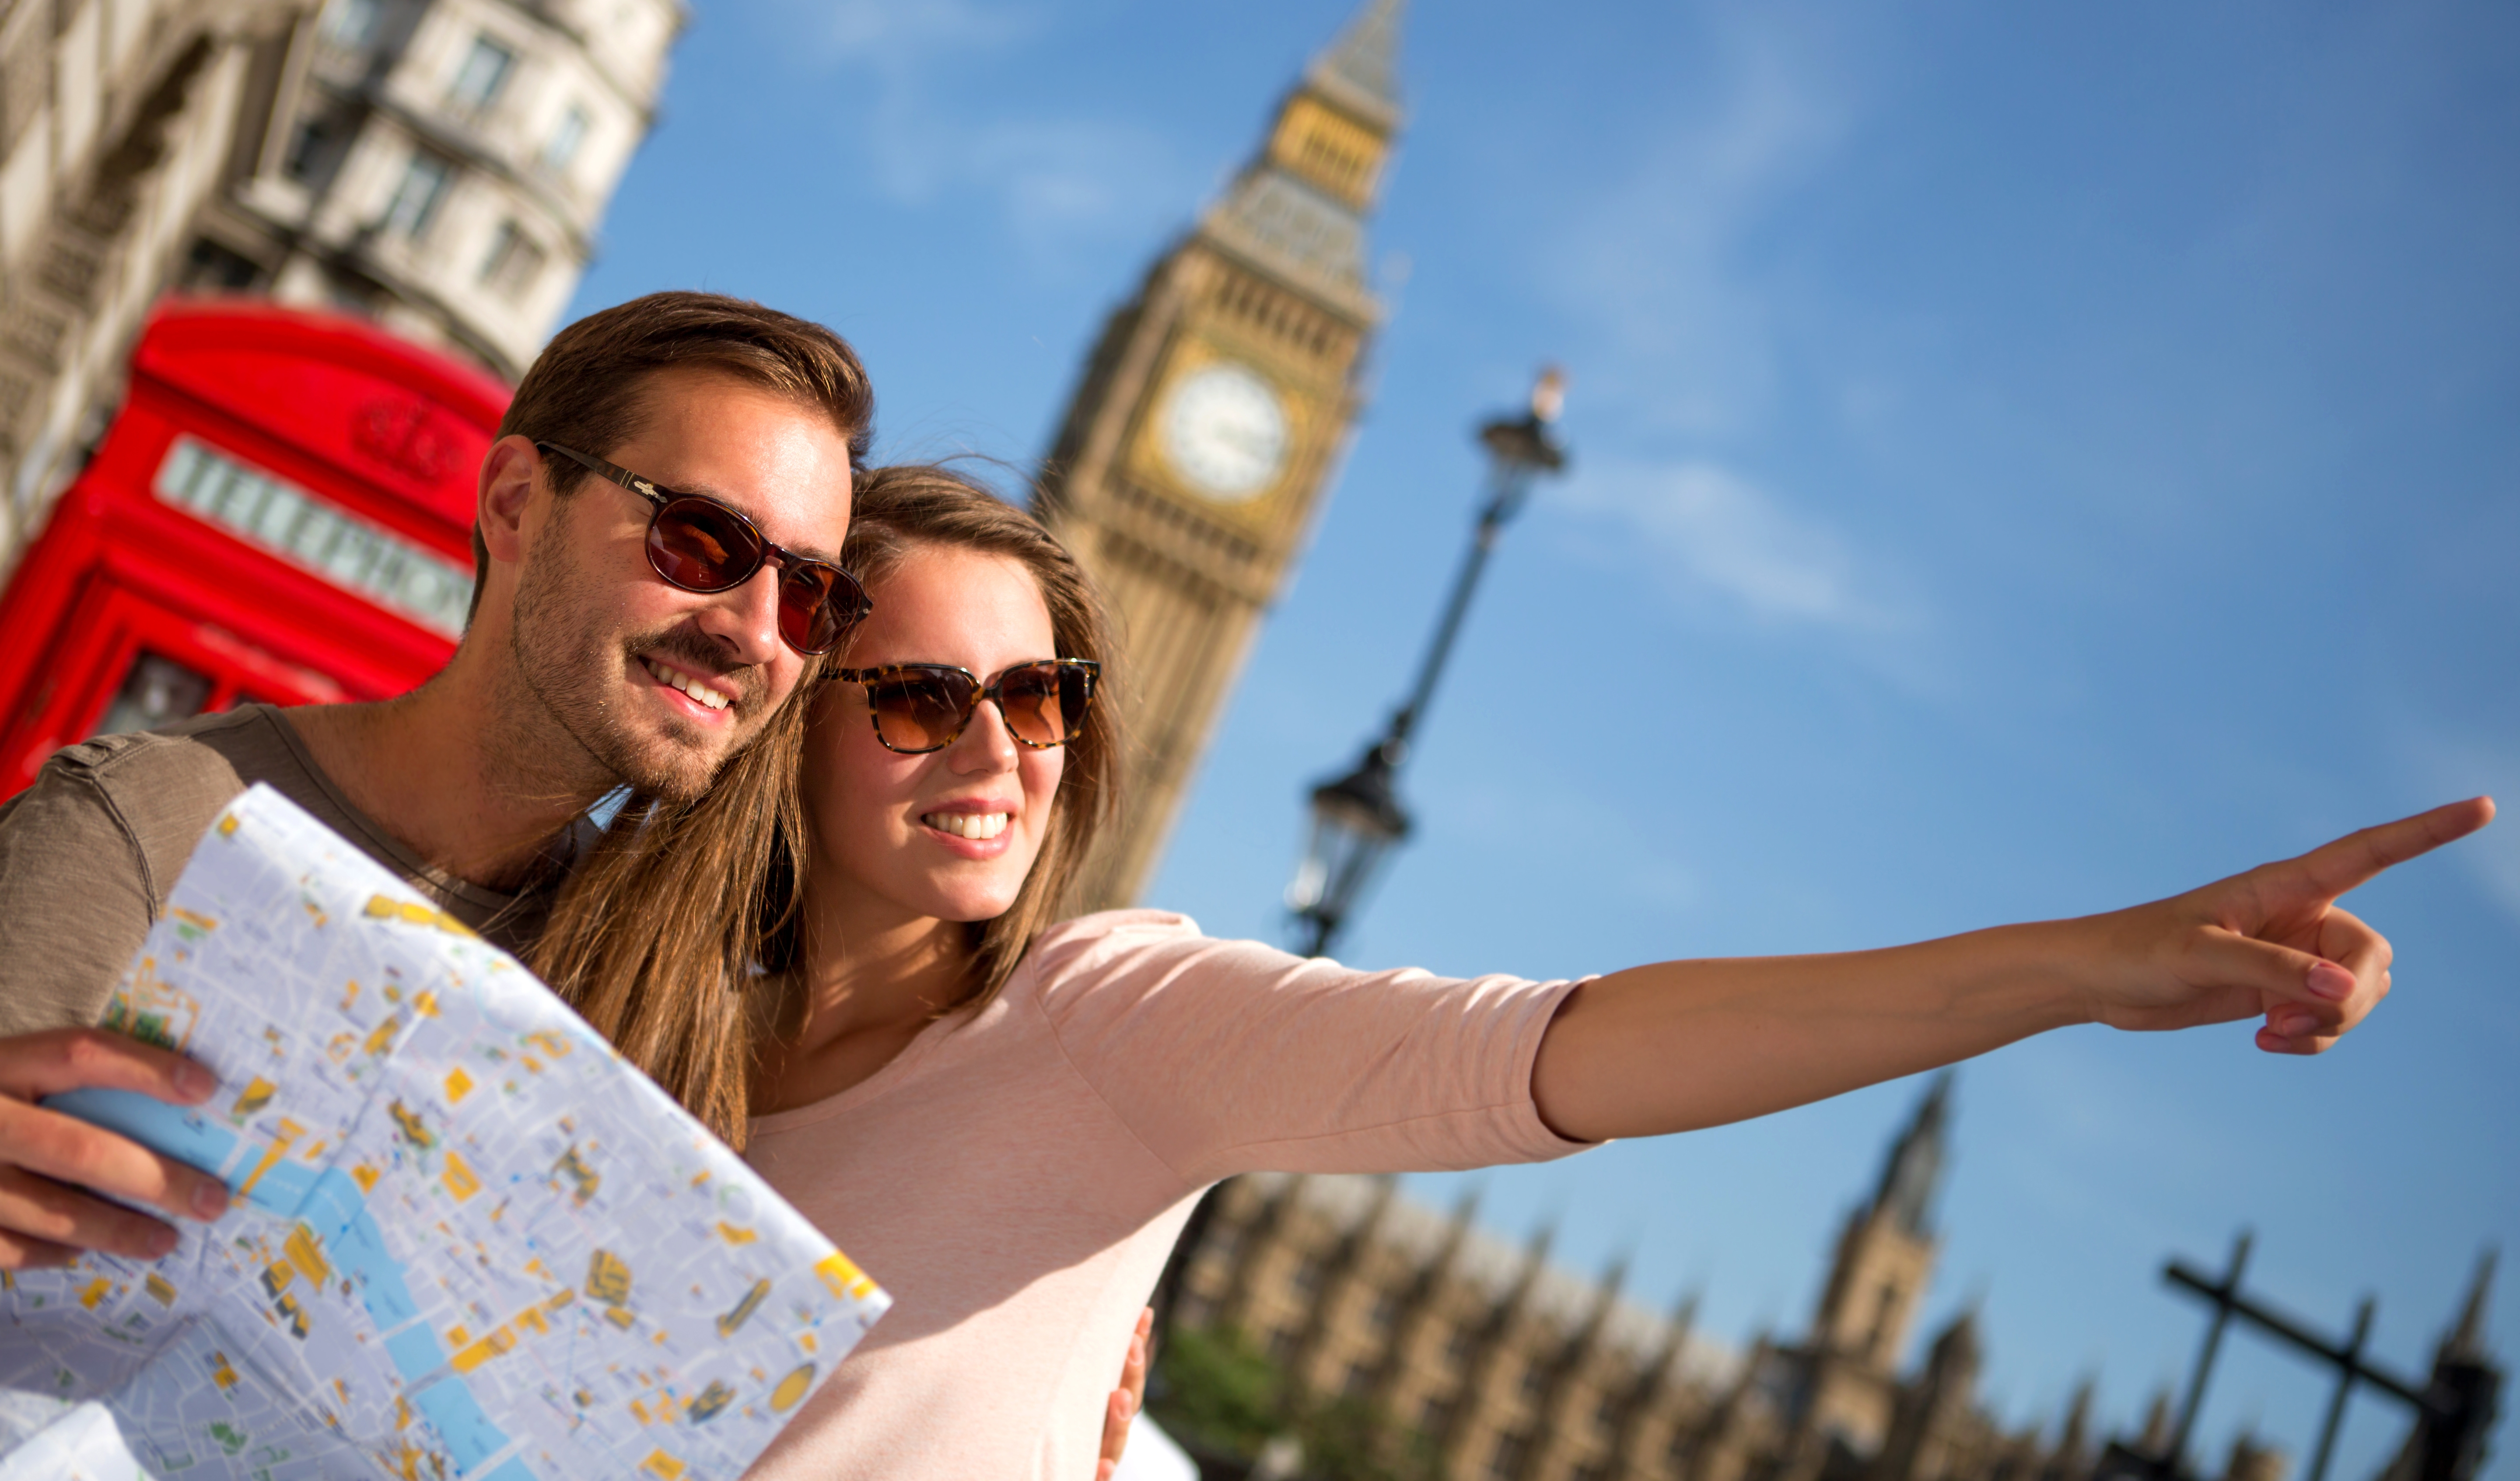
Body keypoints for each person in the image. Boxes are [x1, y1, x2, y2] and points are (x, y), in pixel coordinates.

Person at [541, 462, 2493, 1480]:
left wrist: (2076, 966)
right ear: (793, 714)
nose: (1000, 752)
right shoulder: (634, 1003)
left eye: (1045, 695)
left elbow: (1570, 1053)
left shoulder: (1105, 1020)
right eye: (922, 698)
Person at [0, 290, 875, 1270]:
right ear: (513, 504)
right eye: (703, 540)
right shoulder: (150, 826)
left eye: (809, 594)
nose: (757, 631)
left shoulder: (653, 995)